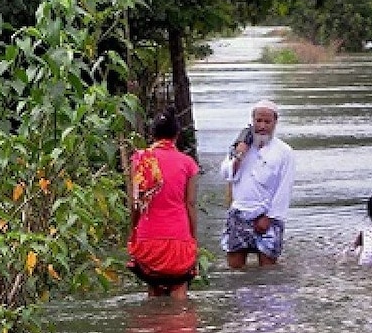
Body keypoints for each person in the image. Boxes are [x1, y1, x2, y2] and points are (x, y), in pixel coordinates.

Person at [127, 108, 200, 298]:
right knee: (179, 295)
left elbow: (135, 203)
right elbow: (190, 204)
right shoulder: (188, 163)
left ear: (152, 134)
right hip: (178, 241)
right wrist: (193, 239)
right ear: (177, 134)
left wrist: (133, 233)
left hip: (147, 241)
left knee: (153, 292)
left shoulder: (140, 160)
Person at [218, 98, 296, 269]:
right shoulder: (240, 146)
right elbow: (226, 173)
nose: (262, 126)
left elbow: (284, 189)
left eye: (267, 121)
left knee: (267, 271)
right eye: (258, 121)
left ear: (275, 122)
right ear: (252, 121)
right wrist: (239, 155)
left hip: (268, 217)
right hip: (239, 214)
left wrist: (269, 217)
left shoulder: (284, 152)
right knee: (235, 270)